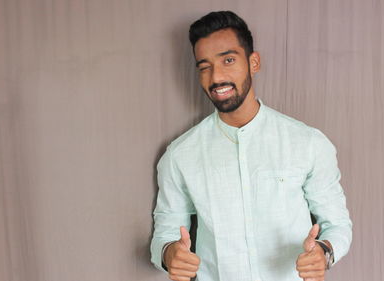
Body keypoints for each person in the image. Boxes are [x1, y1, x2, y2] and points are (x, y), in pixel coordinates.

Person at [150, 11, 352, 281]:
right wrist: (169, 254)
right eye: (204, 66)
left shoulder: (308, 143)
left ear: (253, 62)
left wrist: (324, 252)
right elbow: (165, 234)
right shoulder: (179, 156)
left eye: (228, 60)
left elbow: (337, 225)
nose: (216, 77)